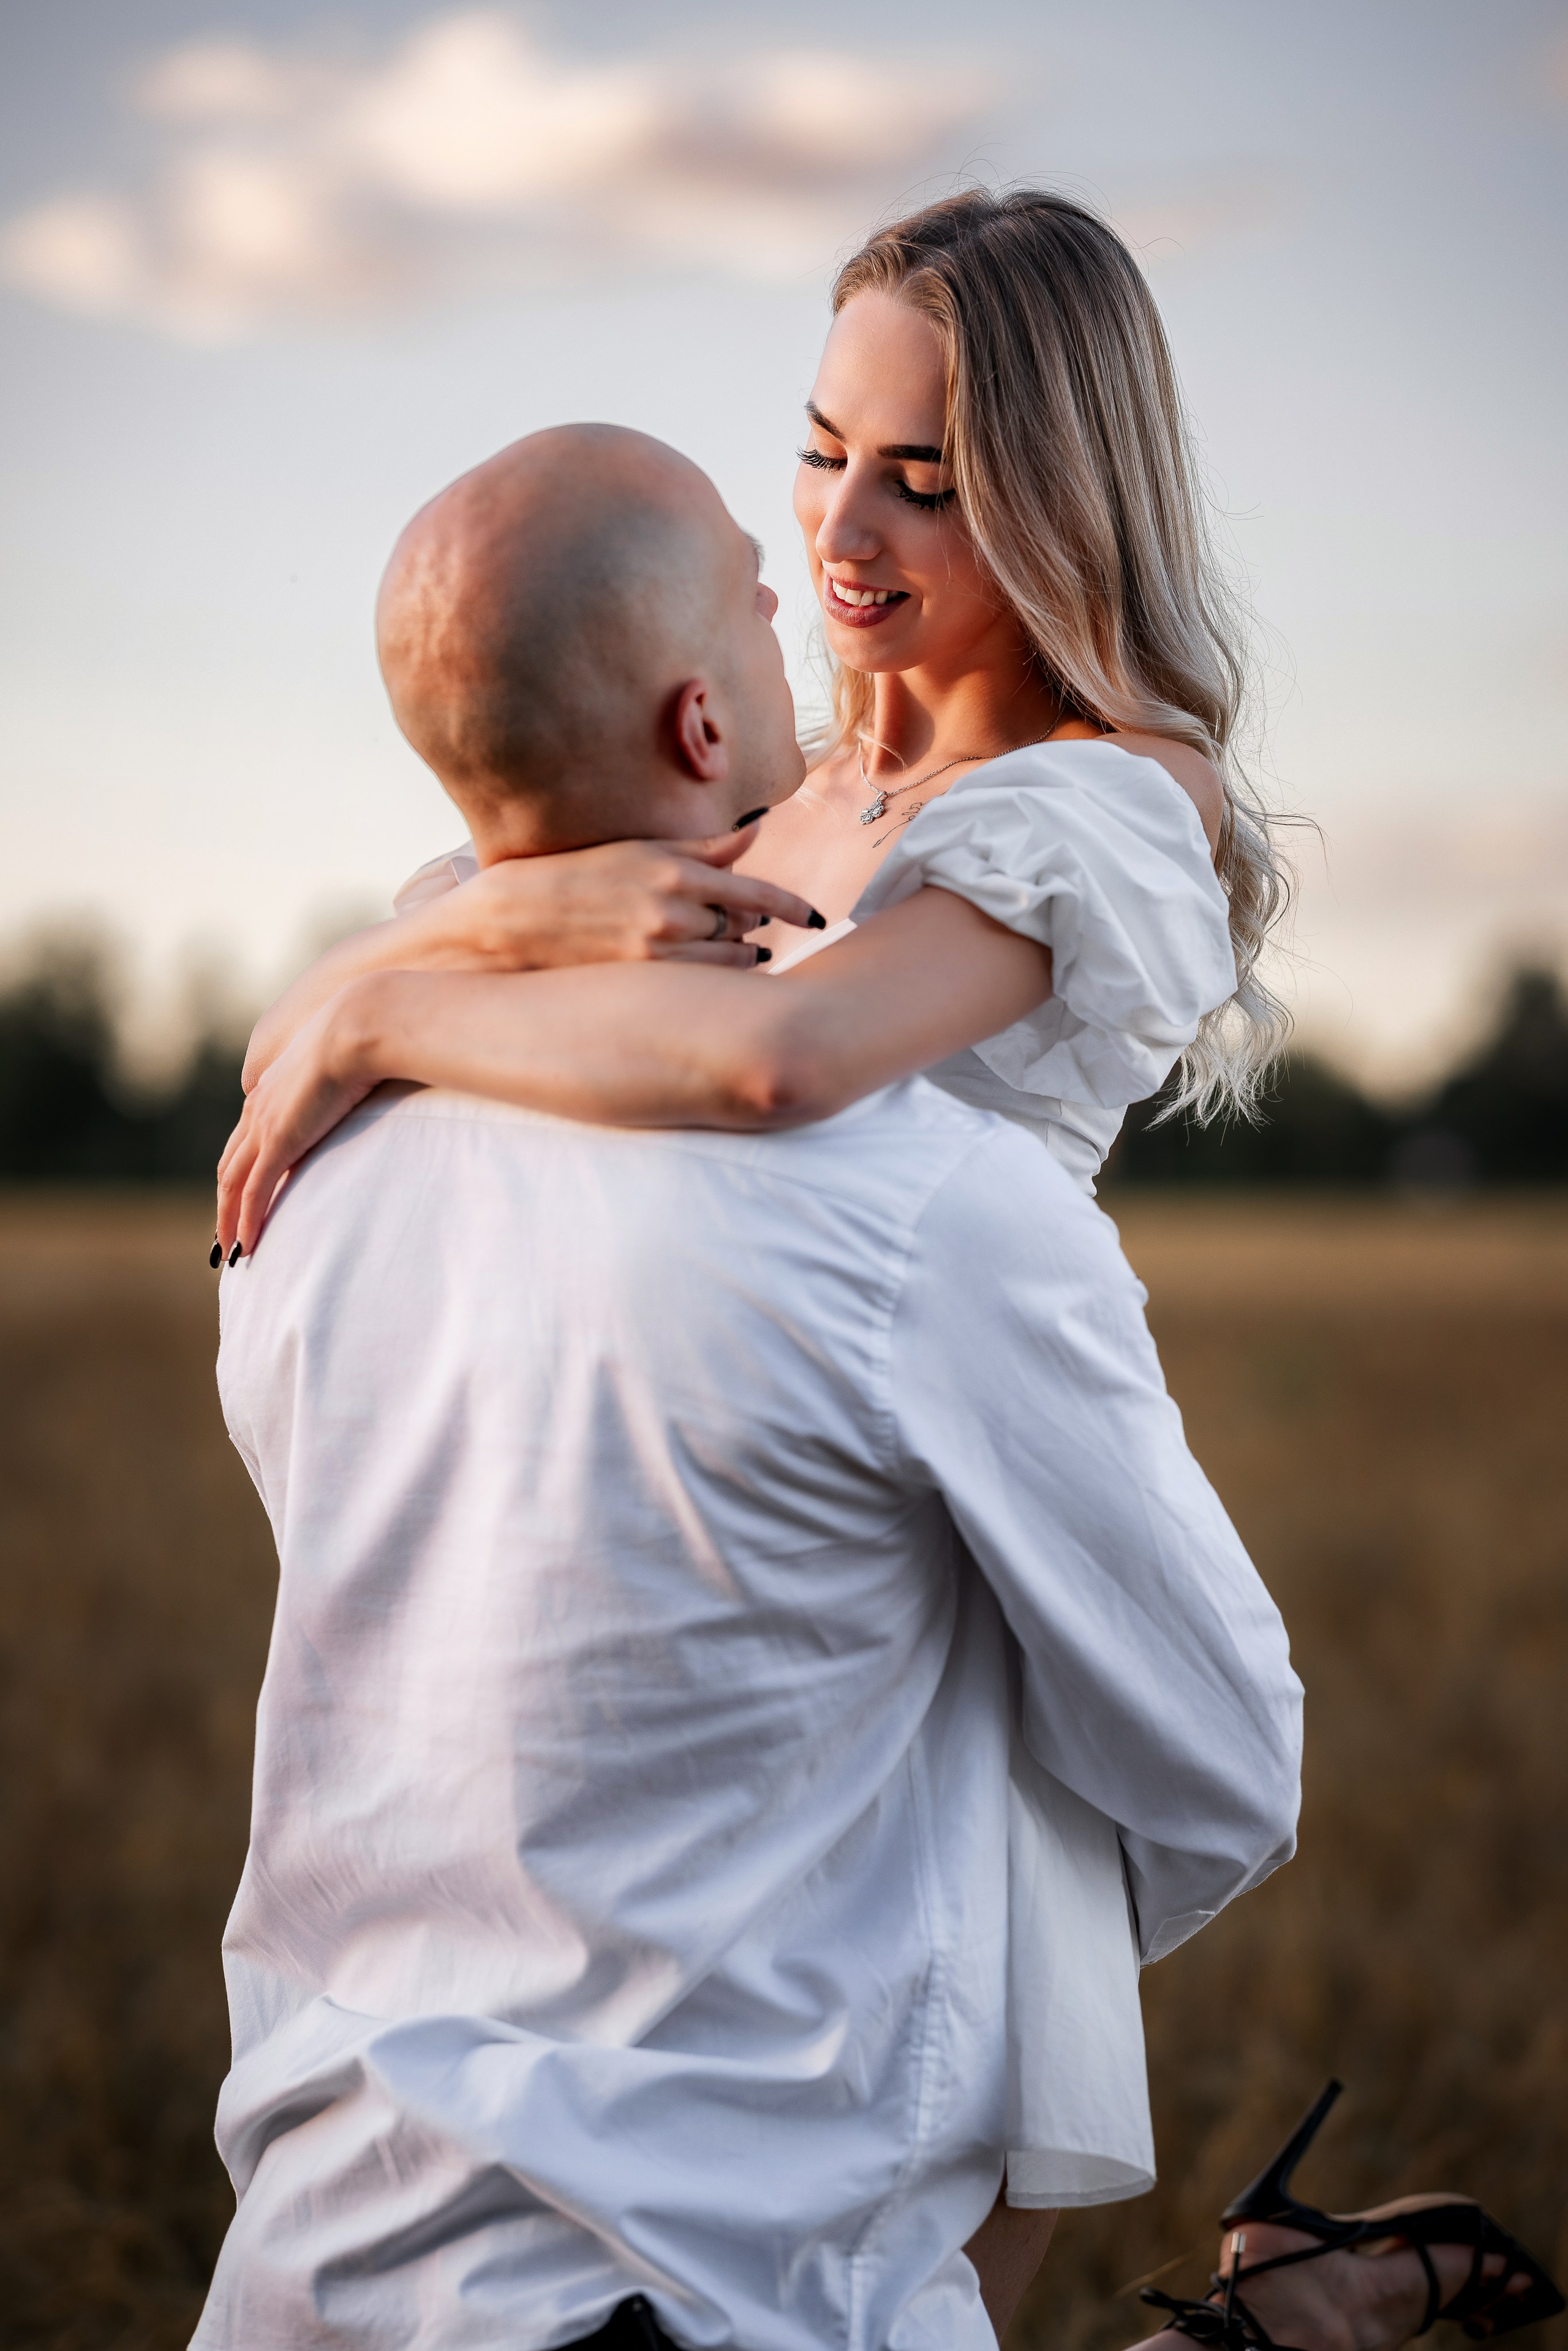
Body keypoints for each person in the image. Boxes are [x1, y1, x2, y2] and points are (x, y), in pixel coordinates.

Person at [199, 409, 1306, 2351]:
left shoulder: (298, 1178)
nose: (814, 561)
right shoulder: (924, 1208)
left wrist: (392, 984)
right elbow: (1226, 1755)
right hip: (712, 2284)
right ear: (705, 733)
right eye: (756, 556)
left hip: (310, 2245)